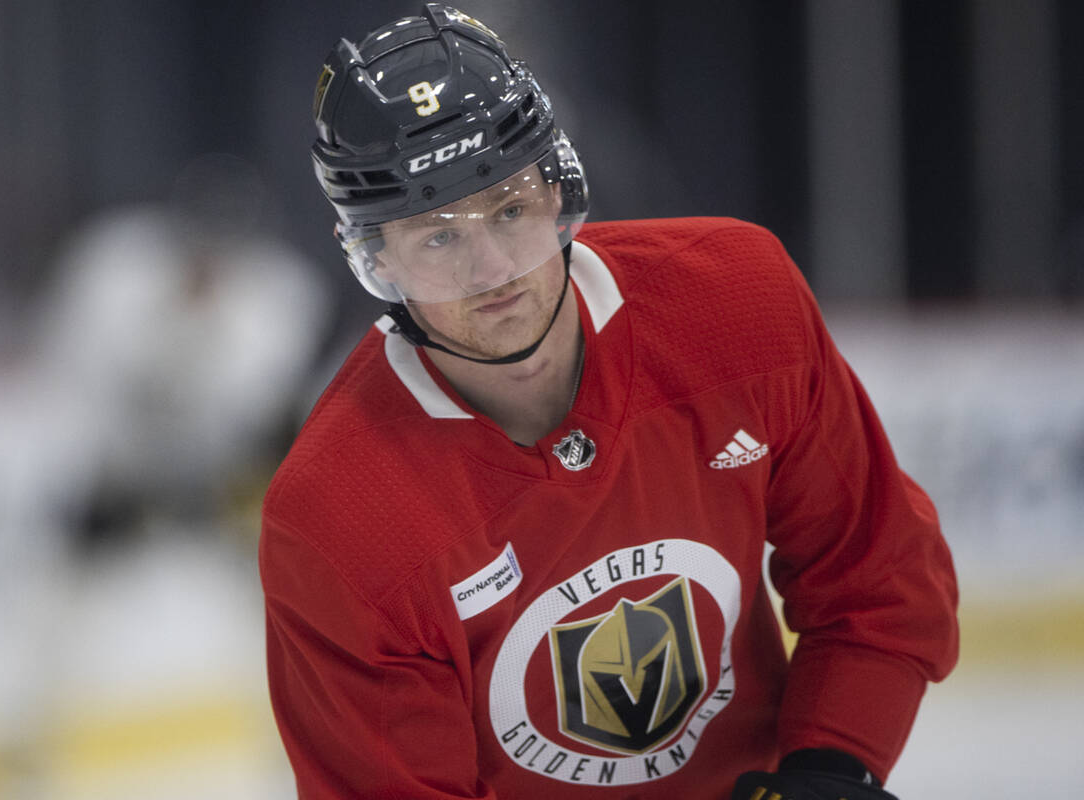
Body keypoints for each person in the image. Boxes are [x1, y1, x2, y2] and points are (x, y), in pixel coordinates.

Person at [259, 5, 959, 799]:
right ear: (377, 258)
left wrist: (834, 766)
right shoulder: (336, 512)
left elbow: (880, 576)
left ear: (558, 193)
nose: (492, 270)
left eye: (509, 210)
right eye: (438, 236)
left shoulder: (736, 303)